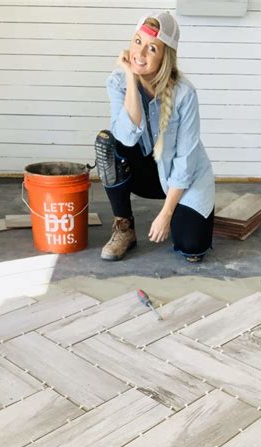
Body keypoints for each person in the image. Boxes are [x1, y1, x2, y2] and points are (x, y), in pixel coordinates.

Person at [94, 11, 215, 263]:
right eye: (137, 42)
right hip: (142, 172)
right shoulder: (117, 82)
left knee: (192, 246)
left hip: (180, 176)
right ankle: (124, 229)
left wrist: (167, 214)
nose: (140, 53)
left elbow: (185, 159)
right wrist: (130, 75)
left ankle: (194, 210)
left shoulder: (185, 93)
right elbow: (126, 138)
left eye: (152, 48)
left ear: (165, 56)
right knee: (108, 143)